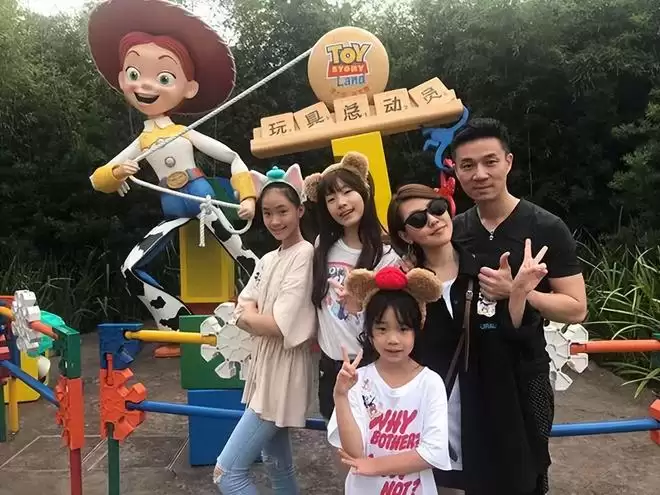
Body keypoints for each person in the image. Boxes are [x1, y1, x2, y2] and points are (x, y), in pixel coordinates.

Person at [86, 0, 259, 358]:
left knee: (247, 259)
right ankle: (177, 327)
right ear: (123, 79)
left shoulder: (184, 132)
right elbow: (97, 178)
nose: (147, 85)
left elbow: (233, 157)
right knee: (131, 268)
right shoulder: (142, 142)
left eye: (164, 78)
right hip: (172, 208)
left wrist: (247, 197)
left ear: (188, 87)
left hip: (202, 201)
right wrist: (117, 173)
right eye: (135, 73)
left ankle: (265, 317)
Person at [450, 117, 588, 493]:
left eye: (490, 161)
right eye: (467, 165)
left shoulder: (546, 227)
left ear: (508, 162)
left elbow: (576, 307)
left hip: (525, 372)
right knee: (475, 475)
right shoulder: (454, 230)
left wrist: (519, 291)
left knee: (527, 472)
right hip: (468, 371)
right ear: (456, 171)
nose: (479, 174)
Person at [387, 183, 552, 495]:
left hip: (497, 415)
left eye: (436, 208)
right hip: (434, 423)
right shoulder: (407, 291)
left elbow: (518, 339)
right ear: (406, 236)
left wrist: (518, 293)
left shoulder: (490, 271)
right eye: (418, 219)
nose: (433, 220)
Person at [213, 164, 316, 495]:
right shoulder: (268, 259)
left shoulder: (306, 254)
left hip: (283, 373)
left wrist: (248, 318)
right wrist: (249, 316)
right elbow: (242, 304)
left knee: (227, 473)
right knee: (277, 467)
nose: (274, 221)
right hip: (264, 370)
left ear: (300, 210)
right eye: (268, 213)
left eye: (283, 211)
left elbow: (277, 324)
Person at [327, 265, 452, 495]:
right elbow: (354, 453)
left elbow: (433, 452)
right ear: (370, 332)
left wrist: (374, 465)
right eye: (382, 329)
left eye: (403, 329)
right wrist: (341, 396)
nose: (393, 339)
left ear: (417, 330)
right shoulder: (357, 380)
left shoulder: (430, 383)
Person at [303, 151, 401, 424]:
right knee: (337, 441)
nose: (341, 203)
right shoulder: (322, 246)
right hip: (330, 367)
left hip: (369, 366)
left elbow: (392, 319)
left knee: (373, 441)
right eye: (331, 198)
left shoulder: (387, 255)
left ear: (364, 192)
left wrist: (359, 306)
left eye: (347, 192)